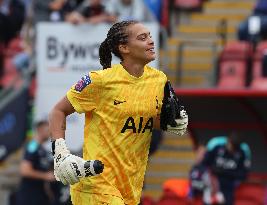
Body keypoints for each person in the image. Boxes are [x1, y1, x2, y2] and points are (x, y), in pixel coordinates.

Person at [48, 20, 188, 205]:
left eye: (150, 36)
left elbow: (143, 119)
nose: (151, 41)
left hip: (130, 186)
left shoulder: (159, 80)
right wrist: (60, 153)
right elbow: (58, 111)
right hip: (96, 183)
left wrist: (166, 122)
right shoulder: (99, 81)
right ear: (124, 48)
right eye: (142, 38)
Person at [201, 132, 251, 205]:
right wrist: (212, 170)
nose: (232, 148)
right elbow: (204, 163)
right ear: (228, 141)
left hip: (228, 188)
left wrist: (223, 172)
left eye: (235, 146)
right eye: (231, 145)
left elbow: (243, 175)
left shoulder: (241, 153)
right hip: (212, 185)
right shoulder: (217, 148)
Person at [15, 120, 56, 205]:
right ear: (40, 130)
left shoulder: (43, 149)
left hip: (40, 194)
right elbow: (24, 171)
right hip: (29, 195)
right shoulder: (32, 146)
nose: (50, 133)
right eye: (48, 130)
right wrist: (46, 176)